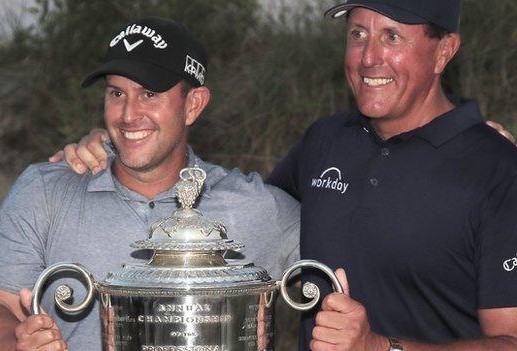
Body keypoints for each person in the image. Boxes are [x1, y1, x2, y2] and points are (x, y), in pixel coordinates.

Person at [55, 1, 517, 350]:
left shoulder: (498, 170)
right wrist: (117, 144)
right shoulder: (326, 141)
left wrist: (383, 347)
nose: (369, 57)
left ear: (445, 51)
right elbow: (236, 211)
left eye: (392, 36)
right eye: (358, 34)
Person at [0, 17, 300, 351]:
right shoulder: (45, 189)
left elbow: (343, 268)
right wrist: (17, 344)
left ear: (193, 104)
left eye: (149, 94)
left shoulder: (258, 206)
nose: (128, 115)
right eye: (116, 93)